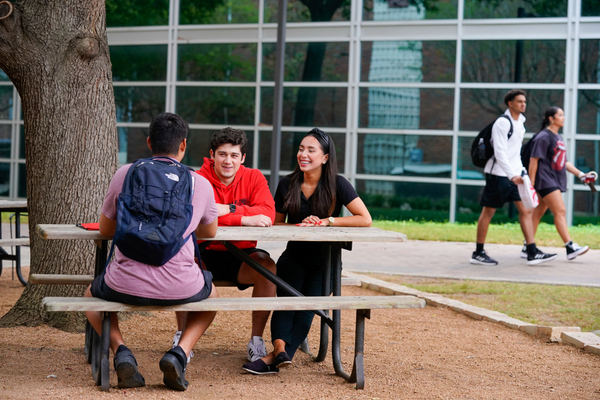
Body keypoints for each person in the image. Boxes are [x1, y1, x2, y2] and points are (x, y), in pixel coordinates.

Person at [84, 113, 219, 391]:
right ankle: (179, 353)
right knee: (213, 296)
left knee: (90, 297)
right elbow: (209, 233)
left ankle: (121, 351)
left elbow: (107, 228)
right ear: (183, 144)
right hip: (181, 285)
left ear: (148, 142)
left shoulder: (126, 173)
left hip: (124, 283)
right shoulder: (199, 183)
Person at [242, 127, 372, 375]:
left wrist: (326, 221)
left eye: (311, 150)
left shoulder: (338, 184)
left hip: (326, 262)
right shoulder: (287, 184)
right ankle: (280, 349)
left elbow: (365, 218)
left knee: (307, 308)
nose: (303, 154)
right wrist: (300, 225)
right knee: (285, 303)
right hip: (294, 257)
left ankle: (274, 357)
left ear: (325, 157)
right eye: (301, 149)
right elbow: (276, 222)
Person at [174, 127, 277, 364]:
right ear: (212, 155)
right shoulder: (197, 178)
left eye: (233, 155)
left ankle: (256, 341)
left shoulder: (254, 177)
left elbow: (267, 213)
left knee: (268, 269)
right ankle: (181, 338)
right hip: (203, 252)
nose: (227, 161)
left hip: (241, 254)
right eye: (222, 154)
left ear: (242, 158)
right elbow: (192, 214)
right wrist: (243, 217)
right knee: (182, 262)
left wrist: (228, 209)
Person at [470, 89, 557, 266]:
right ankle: (478, 253)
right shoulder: (502, 123)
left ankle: (531, 251)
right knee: (488, 212)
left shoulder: (521, 123)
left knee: (526, 210)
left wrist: (522, 172)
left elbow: (515, 153)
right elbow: (500, 152)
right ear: (510, 103)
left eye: (524, 101)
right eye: (519, 101)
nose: (523, 104)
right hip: (498, 175)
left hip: (516, 175)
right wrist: (511, 175)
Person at [527, 106, 590, 260]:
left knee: (538, 213)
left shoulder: (557, 137)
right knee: (560, 211)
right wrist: (531, 183)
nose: (563, 118)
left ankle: (527, 246)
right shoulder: (543, 137)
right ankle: (570, 246)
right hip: (545, 179)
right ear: (551, 118)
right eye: (560, 115)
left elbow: (564, 162)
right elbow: (533, 160)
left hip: (553, 179)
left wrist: (581, 175)